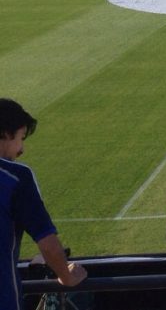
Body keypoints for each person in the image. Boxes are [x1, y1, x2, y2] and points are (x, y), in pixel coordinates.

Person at [1, 99, 87, 310]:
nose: (21, 149)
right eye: (21, 138)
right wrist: (66, 276)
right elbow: (47, 243)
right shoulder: (15, 177)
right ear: (5, 134)